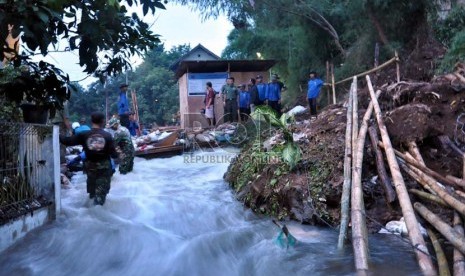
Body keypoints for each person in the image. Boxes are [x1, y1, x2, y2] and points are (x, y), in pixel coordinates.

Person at [60, 112, 118, 205]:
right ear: (103, 121)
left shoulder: (84, 135)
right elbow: (114, 155)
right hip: (104, 169)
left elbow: (66, 141)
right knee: (100, 196)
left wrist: (55, 133)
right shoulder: (107, 136)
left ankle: (92, 211)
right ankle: (98, 214)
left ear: (91, 121)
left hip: (90, 168)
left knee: (92, 193)